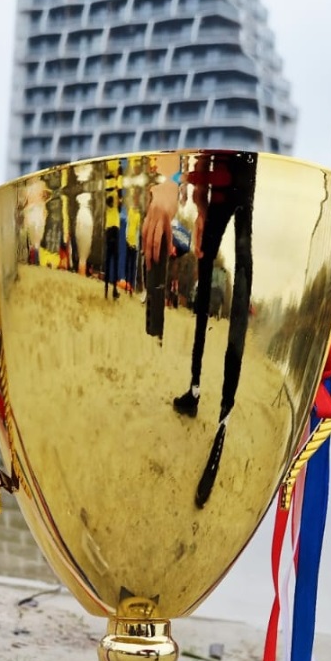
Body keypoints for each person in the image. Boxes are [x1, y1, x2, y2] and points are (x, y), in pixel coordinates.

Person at [142, 152, 257, 507]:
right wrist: (195, 202)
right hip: (218, 189)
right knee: (204, 283)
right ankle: (194, 390)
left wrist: (173, 184)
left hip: (246, 182)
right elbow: (191, 142)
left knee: (241, 280)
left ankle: (224, 418)